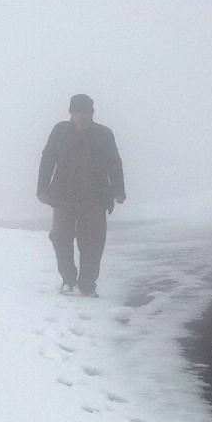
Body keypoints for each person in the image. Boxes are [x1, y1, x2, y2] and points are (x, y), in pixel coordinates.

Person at [37, 94, 126, 297]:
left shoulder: (104, 134)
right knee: (61, 237)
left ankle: (87, 285)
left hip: (95, 198)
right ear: (71, 113)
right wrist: (42, 188)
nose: (82, 116)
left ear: (92, 113)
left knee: (93, 242)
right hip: (63, 196)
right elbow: (47, 159)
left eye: (86, 112)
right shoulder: (60, 132)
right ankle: (68, 280)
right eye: (78, 112)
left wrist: (119, 189)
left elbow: (114, 162)